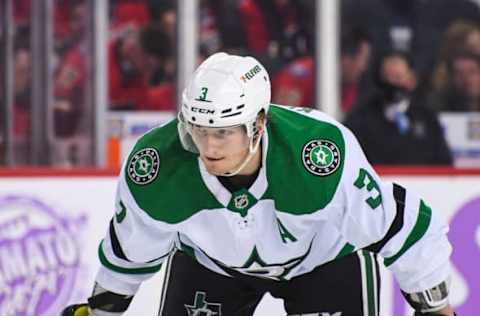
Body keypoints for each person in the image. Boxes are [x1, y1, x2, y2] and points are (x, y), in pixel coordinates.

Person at [62, 53, 455, 316]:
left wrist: (436, 310)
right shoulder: (155, 164)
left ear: (259, 123)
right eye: (199, 130)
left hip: (325, 261)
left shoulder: (317, 156)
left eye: (224, 133)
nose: (209, 148)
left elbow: (403, 229)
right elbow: (130, 253)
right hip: (212, 266)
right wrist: (98, 310)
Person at [345, 51, 453, 165]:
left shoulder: (427, 118)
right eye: (386, 77)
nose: (391, 83)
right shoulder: (361, 116)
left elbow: (443, 161)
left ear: (412, 80)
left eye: (397, 77)